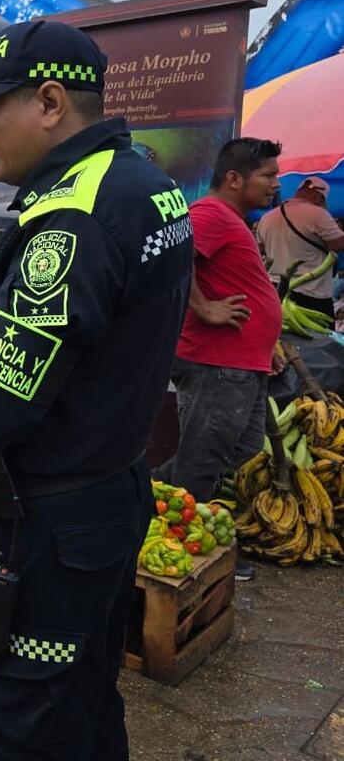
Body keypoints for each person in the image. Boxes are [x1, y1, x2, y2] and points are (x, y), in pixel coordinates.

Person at [0, 20, 193, 759]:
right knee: (83, 699)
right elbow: (81, 340)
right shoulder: (143, 184)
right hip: (107, 492)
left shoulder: (73, 218)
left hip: (46, 525)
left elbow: (3, 399)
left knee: (19, 713)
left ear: (50, 103)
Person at [161, 138, 285, 582]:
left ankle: (149, 494)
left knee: (242, 447)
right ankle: (178, 550)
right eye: (268, 175)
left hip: (241, 362)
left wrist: (265, 345)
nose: (275, 183)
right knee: (203, 458)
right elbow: (176, 259)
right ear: (234, 179)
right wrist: (204, 307)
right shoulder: (211, 214)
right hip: (217, 363)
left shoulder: (232, 220)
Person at [258, 176, 344, 320]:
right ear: (317, 196)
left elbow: (261, 249)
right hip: (312, 294)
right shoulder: (318, 214)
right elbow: (338, 244)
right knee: (317, 334)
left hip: (276, 290)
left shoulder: (266, 217)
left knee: (280, 333)